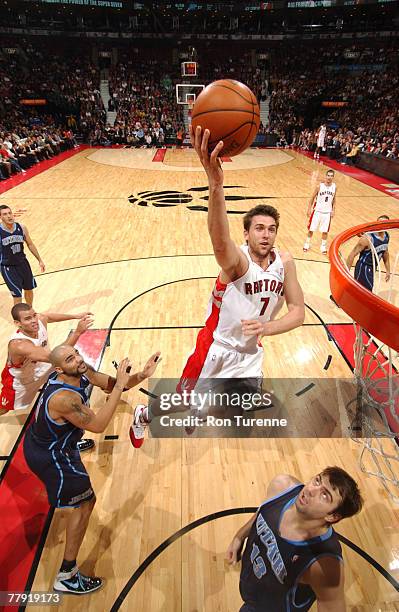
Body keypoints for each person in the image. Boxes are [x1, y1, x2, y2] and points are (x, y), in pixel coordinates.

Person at [129, 126, 305, 447]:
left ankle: (202, 407)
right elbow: (219, 241)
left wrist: (269, 327)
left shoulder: (285, 262)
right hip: (215, 349)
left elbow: (297, 313)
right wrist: (216, 184)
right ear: (247, 234)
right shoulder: (236, 263)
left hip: (250, 353)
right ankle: (143, 413)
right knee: (180, 401)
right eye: (259, 229)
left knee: (238, 411)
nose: (266, 234)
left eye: (271, 229)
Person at [23, 343, 161, 595]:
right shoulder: (64, 398)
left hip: (54, 441)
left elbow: (111, 384)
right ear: (58, 369)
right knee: (85, 503)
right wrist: (120, 385)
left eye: (76, 353)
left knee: (82, 499)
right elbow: (98, 424)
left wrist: (140, 375)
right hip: (51, 456)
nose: (77, 359)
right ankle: (67, 575)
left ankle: (72, 441)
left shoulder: (83, 372)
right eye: (69, 358)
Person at [226, 467, 363, 611]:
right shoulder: (282, 486)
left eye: (324, 495)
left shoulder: (324, 563)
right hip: (252, 591)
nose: (311, 490)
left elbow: (332, 606)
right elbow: (263, 513)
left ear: (332, 516)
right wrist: (239, 536)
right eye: (317, 481)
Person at [0, 303, 93, 415]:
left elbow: (48, 317)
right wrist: (77, 332)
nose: (34, 320)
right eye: (28, 319)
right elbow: (57, 357)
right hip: (22, 381)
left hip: (44, 367)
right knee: (3, 409)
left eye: (34, 315)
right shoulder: (19, 345)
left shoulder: (39, 320)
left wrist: (75, 316)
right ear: (17, 323)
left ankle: (109, 388)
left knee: (80, 370)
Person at [0, 204, 45, 306]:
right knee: (17, 295)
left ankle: (30, 310)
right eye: (5, 214)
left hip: (23, 264)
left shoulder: (22, 227)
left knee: (29, 289)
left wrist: (40, 260)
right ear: (1, 217)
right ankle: (18, 320)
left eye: (10, 213)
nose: (9, 216)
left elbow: (30, 244)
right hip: (8, 267)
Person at [346, 215, 390, 292]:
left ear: (388, 225)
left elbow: (385, 253)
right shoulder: (367, 238)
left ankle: (341, 297)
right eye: (379, 223)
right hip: (363, 267)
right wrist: (346, 272)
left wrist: (388, 270)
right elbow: (352, 254)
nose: (381, 225)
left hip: (373, 268)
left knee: (359, 290)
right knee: (366, 292)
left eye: (384, 223)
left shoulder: (386, 237)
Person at [303, 169, 337, 255]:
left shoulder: (334, 187)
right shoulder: (319, 186)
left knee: (325, 231)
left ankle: (323, 246)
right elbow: (312, 198)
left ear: (333, 177)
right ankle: (307, 244)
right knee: (311, 229)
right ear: (326, 176)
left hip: (327, 212)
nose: (329, 177)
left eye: (331, 176)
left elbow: (334, 199)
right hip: (317, 211)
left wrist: (333, 210)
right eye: (328, 175)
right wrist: (309, 209)